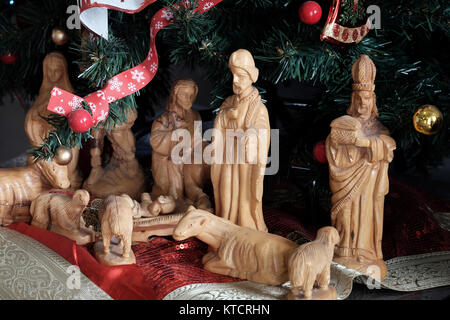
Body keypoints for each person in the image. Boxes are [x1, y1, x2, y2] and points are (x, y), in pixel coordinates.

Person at [325, 55, 396, 278]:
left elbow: (388, 147)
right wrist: (342, 143)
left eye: (367, 99)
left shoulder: (378, 128)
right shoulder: (345, 124)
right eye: (359, 99)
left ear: (373, 100)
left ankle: (366, 253)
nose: (363, 104)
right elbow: (333, 145)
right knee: (344, 214)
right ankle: (343, 250)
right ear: (354, 100)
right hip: (346, 180)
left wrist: (365, 142)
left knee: (365, 215)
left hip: (369, 186)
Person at [211, 49, 270, 232]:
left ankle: (245, 226)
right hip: (228, 158)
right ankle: (225, 222)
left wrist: (252, 135)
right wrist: (228, 117)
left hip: (245, 162)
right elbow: (219, 123)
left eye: (241, 76)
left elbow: (262, 128)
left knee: (244, 194)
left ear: (252, 76)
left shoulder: (257, 107)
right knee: (226, 190)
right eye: (233, 75)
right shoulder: (229, 103)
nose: (235, 80)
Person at [150, 79, 211, 210]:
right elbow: (155, 139)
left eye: (191, 96)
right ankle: (175, 198)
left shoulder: (195, 115)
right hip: (166, 158)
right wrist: (176, 136)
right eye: (183, 95)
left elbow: (197, 140)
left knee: (199, 161)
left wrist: (207, 148)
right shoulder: (165, 118)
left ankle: (195, 196)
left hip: (188, 153)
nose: (188, 99)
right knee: (175, 160)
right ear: (175, 95)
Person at [24, 52, 82, 189]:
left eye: (56, 69)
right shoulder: (44, 93)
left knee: (69, 158)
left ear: (63, 70)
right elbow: (32, 117)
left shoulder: (68, 93)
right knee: (34, 159)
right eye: (49, 70)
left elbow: (75, 118)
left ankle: (68, 179)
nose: (53, 73)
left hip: (64, 140)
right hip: (45, 139)